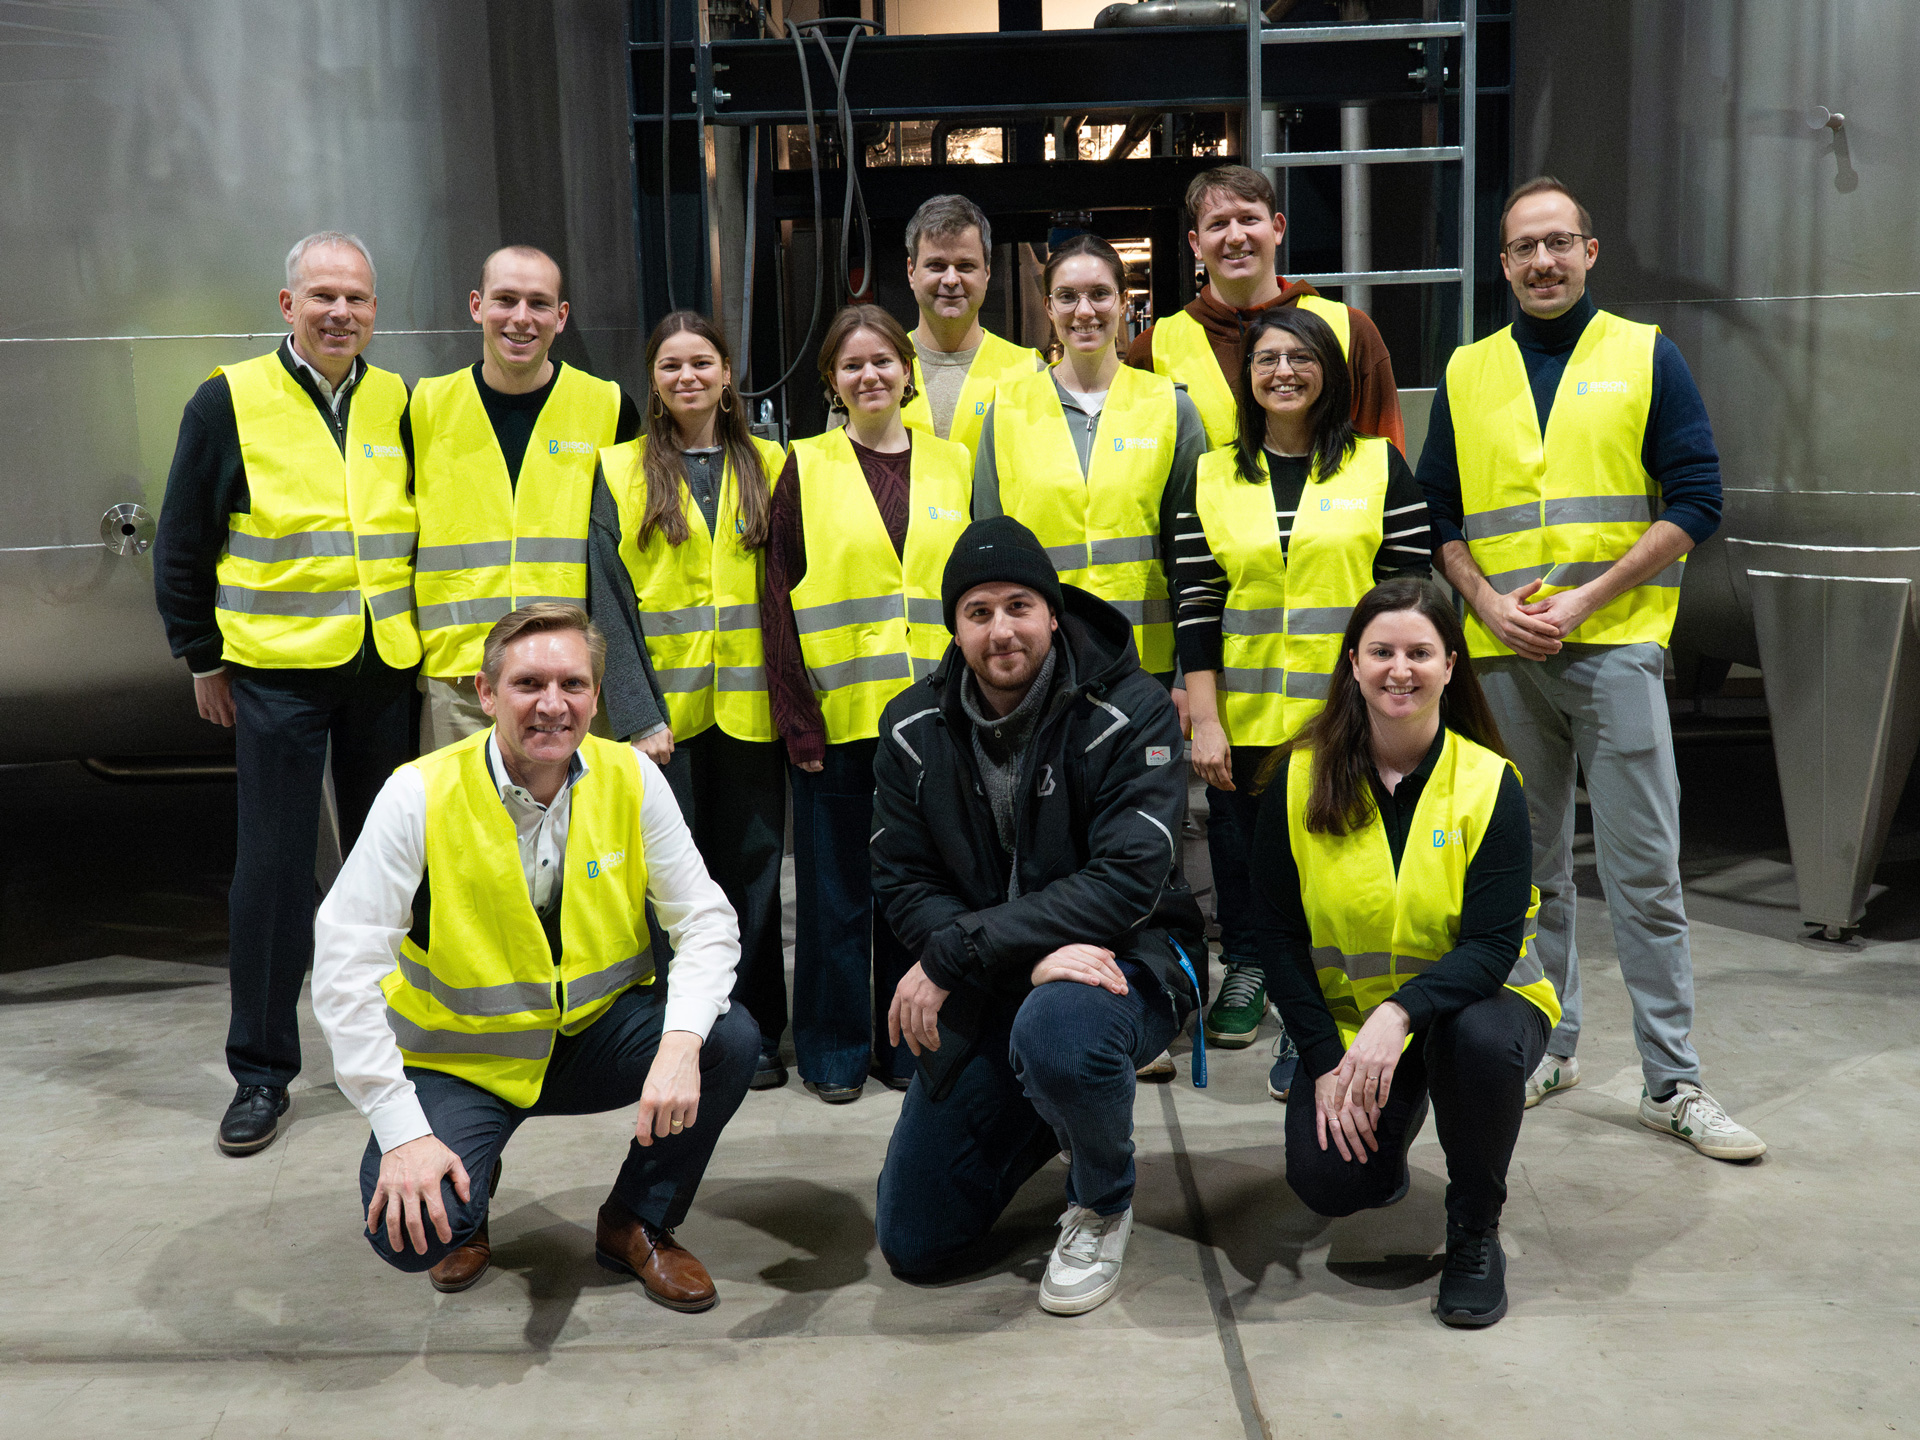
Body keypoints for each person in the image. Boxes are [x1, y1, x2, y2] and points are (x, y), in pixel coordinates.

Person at [1417, 176, 1764, 1161]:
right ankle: (1550, 1044)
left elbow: (1697, 499)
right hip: (1499, 656)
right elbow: (1439, 517)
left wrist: (1586, 600)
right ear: (1504, 264)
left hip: (1612, 652)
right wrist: (1484, 604)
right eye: (1524, 247)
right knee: (1528, 875)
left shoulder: (1644, 355)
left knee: (1643, 871)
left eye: (1559, 243)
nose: (1542, 261)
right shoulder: (1470, 370)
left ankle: (1674, 1080)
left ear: (1590, 251)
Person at [310, 604, 758, 1304]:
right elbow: (343, 970)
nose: (554, 705)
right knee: (417, 1235)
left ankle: (635, 1221)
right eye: (529, 685)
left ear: (595, 697)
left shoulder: (633, 780)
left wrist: (678, 1042)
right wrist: (400, 1130)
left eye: (573, 684)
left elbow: (705, 920)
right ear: (486, 694)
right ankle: (470, 1195)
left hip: (590, 1041)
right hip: (463, 1060)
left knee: (726, 1039)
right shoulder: (417, 794)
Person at [871, 516, 1205, 1315]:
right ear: (953, 626)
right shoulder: (911, 728)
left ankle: (1102, 1196)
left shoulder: (1133, 709)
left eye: (1019, 605)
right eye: (977, 611)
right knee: (916, 1242)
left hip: (1130, 958)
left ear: (1054, 613)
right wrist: (1017, 959)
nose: (1001, 630)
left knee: (1060, 1029)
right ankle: (1054, 1108)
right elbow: (902, 880)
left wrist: (966, 952)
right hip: (1002, 976)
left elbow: (1127, 880)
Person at [153, 231, 421, 1157]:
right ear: (287, 305)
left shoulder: (398, 400)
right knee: (271, 874)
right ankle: (262, 1074)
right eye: (322, 297)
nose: (340, 312)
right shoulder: (229, 400)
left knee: (393, 864)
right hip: (277, 672)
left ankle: (403, 1044)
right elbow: (182, 540)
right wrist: (201, 656)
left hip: (385, 667)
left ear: (375, 311)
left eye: (356, 298)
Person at [1252, 578, 1558, 1327]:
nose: (1401, 669)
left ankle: (1475, 1229)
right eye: (1382, 651)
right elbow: (1278, 939)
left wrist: (1400, 1014)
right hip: (1358, 1032)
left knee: (1477, 1038)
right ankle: (1392, 1123)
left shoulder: (1491, 785)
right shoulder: (1297, 778)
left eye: (1420, 653)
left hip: (1481, 1010)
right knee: (1329, 1183)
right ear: (1352, 662)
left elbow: (1491, 947)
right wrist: (1325, 1055)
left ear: (1451, 666)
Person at [1171, 308, 1433, 1092]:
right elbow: (1196, 606)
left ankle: (1314, 1022)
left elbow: (1411, 599)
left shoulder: (1380, 468)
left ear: (1329, 371)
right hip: (1246, 726)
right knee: (1252, 879)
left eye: (1300, 358)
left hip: (1349, 724)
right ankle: (1255, 977)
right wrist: (1208, 722)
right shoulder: (1212, 475)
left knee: (1338, 879)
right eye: (1266, 360)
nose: (1283, 372)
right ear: (1247, 379)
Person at [762, 305, 974, 1102]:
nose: (870, 376)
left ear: (906, 371)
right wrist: (796, 715)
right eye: (851, 366)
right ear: (832, 382)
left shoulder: (954, 465)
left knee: (918, 899)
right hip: (838, 723)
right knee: (835, 898)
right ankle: (833, 1048)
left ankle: (910, 1047)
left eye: (883, 360)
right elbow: (776, 595)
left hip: (938, 728)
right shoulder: (804, 466)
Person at [590, 310, 791, 1091]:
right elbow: (607, 600)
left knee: (754, 876)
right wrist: (637, 716)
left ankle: (758, 1030)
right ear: (655, 380)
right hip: (662, 723)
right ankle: (687, 1036)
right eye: (671, 365)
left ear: (727, 373)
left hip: (752, 714)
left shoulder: (770, 464)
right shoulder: (619, 470)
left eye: (701, 362)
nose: (688, 378)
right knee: (674, 884)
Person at [407, 245, 641, 751]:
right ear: (476, 306)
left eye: (538, 303)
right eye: (505, 299)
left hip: (568, 686)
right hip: (462, 684)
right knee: (464, 830)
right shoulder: (423, 407)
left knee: (571, 830)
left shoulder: (608, 407)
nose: (521, 319)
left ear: (560, 317)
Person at [973, 232, 1205, 689]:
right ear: (1048, 307)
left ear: (1122, 302)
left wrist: (1186, 677)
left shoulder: (1171, 408)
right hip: (1040, 664)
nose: (1084, 311)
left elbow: (1194, 559)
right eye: (1067, 296)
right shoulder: (1007, 411)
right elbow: (992, 558)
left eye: (1100, 294)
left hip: (1145, 665)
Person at [1127, 164, 1404, 455]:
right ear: (1196, 244)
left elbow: (1384, 465)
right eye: (1218, 223)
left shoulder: (1350, 329)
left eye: (1248, 219)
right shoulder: (1152, 350)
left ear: (1277, 229)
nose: (1235, 236)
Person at [897, 193, 1043, 459]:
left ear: (986, 273)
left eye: (965, 266)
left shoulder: (1031, 373)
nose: (951, 279)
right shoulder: (874, 373)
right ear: (911, 272)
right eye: (936, 266)